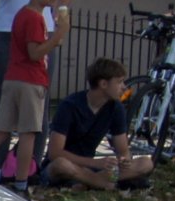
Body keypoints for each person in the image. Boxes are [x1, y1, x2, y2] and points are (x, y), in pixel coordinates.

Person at [0, 0, 69, 193]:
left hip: (12, 78)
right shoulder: (34, 18)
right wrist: (57, 36)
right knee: (28, 133)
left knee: (1, 129)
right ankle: (21, 182)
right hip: (30, 81)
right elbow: (34, 53)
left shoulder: (21, 15)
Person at [40, 57, 154, 191]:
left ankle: (88, 181)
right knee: (61, 164)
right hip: (67, 165)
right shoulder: (69, 106)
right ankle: (97, 182)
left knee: (146, 163)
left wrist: (124, 160)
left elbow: (123, 150)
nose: (124, 87)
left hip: (91, 169)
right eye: (119, 82)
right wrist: (96, 163)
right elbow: (55, 153)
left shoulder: (116, 108)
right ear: (103, 84)